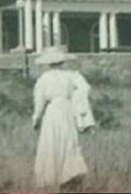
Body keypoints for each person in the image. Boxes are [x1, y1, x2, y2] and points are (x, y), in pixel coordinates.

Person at [32, 46, 92, 190]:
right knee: (68, 140)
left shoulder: (44, 78)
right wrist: (79, 105)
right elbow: (85, 88)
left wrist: (36, 119)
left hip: (52, 110)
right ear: (62, 62)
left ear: (48, 63)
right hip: (67, 109)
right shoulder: (71, 75)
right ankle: (69, 173)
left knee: (52, 140)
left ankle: (52, 176)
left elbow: (39, 102)